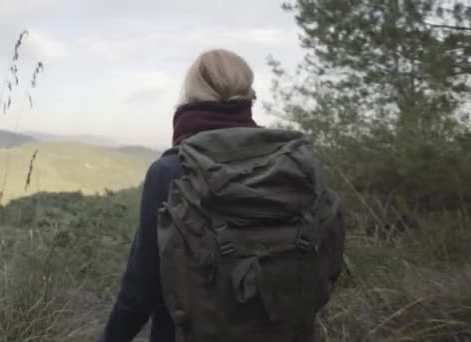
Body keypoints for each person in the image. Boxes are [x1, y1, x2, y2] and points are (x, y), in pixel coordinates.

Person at [99, 49, 344, 342]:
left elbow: (141, 288)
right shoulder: (295, 164)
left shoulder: (171, 171)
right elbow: (327, 261)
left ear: (191, 98)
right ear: (247, 96)